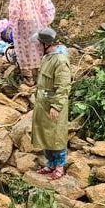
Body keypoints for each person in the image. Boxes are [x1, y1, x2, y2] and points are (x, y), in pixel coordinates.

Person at [31, 28, 71, 180]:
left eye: (39, 44)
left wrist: (57, 106)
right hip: (43, 102)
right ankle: (51, 164)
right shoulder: (47, 57)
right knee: (45, 134)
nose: (37, 47)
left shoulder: (60, 60)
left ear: (46, 44)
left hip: (52, 103)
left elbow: (63, 86)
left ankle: (60, 166)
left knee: (56, 134)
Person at [8, 0, 55, 85]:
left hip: (23, 26)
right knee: (37, 48)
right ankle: (39, 73)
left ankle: (28, 77)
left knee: (24, 49)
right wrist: (45, 22)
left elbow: (14, 12)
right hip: (38, 24)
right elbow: (49, 9)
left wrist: (12, 25)